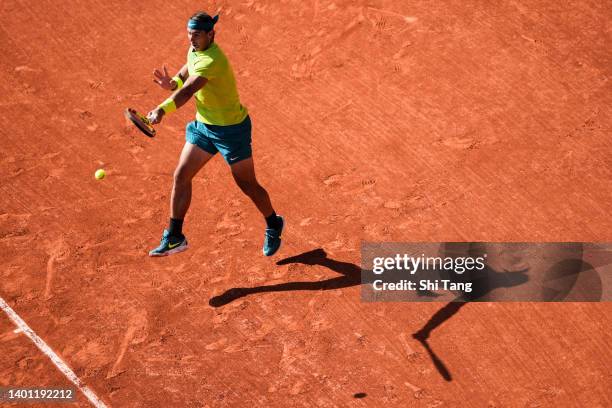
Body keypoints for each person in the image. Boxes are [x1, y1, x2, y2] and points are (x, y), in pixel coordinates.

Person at [146, 12, 284, 257]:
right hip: (204, 127)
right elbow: (189, 67)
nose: (191, 39)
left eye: (196, 35)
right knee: (181, 175)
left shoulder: (214, 60)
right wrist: (174, 82)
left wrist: (161, 109)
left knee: (247, 185)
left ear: (211, 34)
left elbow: (188, 92)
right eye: (189, 34)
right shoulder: (197, 50)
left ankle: (273, 223)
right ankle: (175, 236)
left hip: (232, 131)